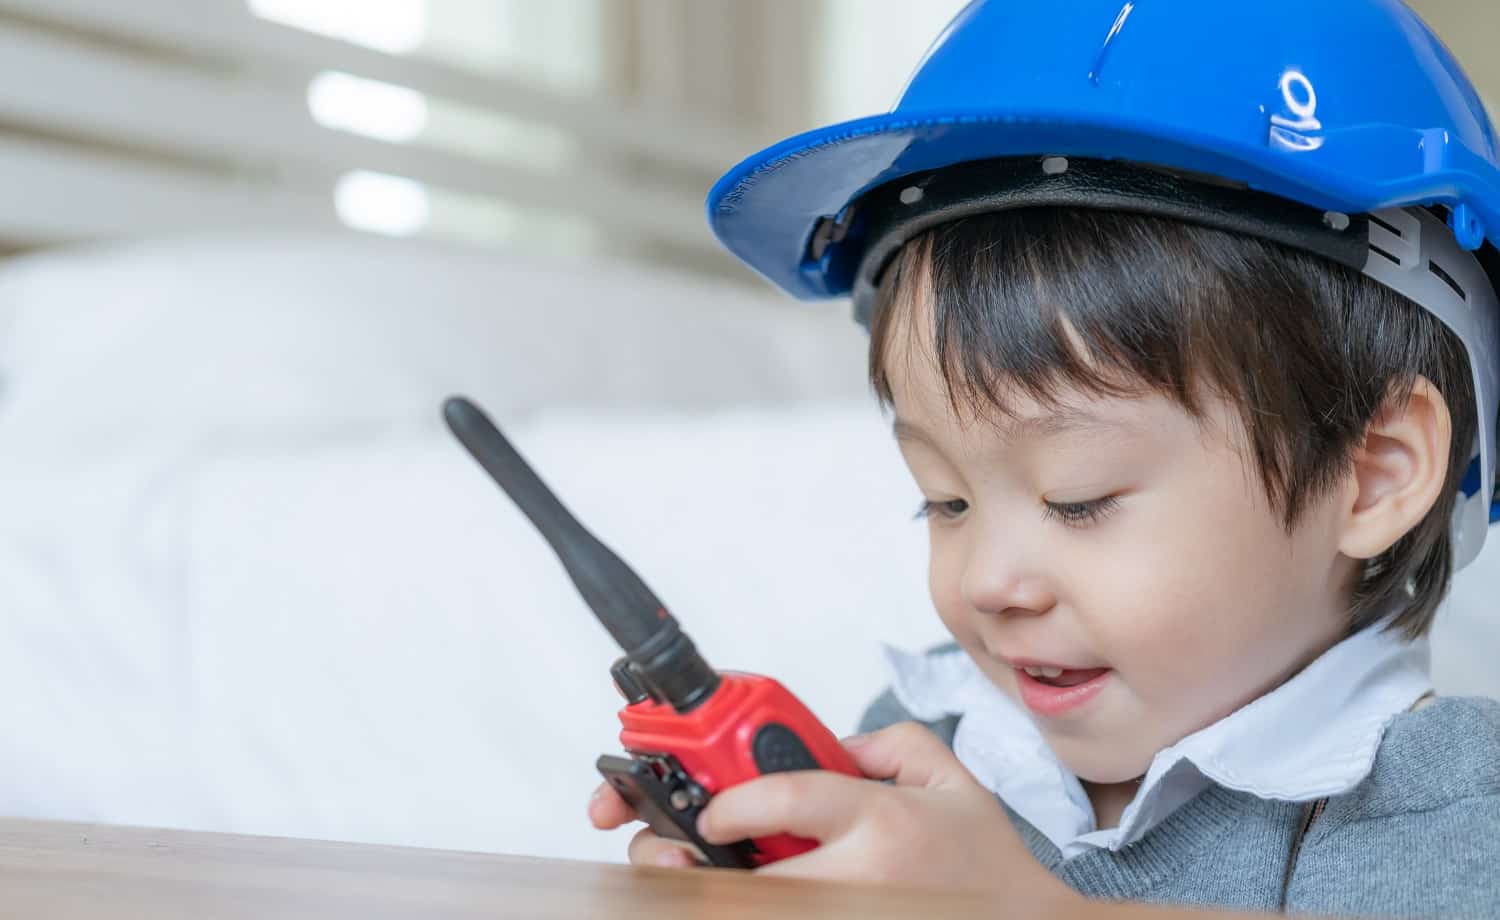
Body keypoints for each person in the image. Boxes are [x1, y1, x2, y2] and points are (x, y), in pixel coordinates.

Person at [590, 1, 1500, 913]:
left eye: (1078, 500)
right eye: (944, 502)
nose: (988, 583)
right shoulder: (923, 746)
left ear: (1373, 471)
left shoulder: (1447, 806)